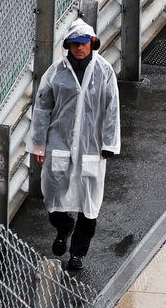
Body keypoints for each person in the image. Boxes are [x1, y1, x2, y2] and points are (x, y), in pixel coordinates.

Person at [30, 18, 120, 271]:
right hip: (59, 143)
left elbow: (112, 109)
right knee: (53, 196)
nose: (79, 48)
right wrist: (39, 145)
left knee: (89, 204)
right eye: (74, 44)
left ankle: (78, 253)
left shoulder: (104, 72)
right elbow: (42, 108)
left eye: (83, 44)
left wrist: (109, 144)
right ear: (68, 45)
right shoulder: (56, 72)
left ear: (92, 43)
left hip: (92, 147)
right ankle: (63, 227)